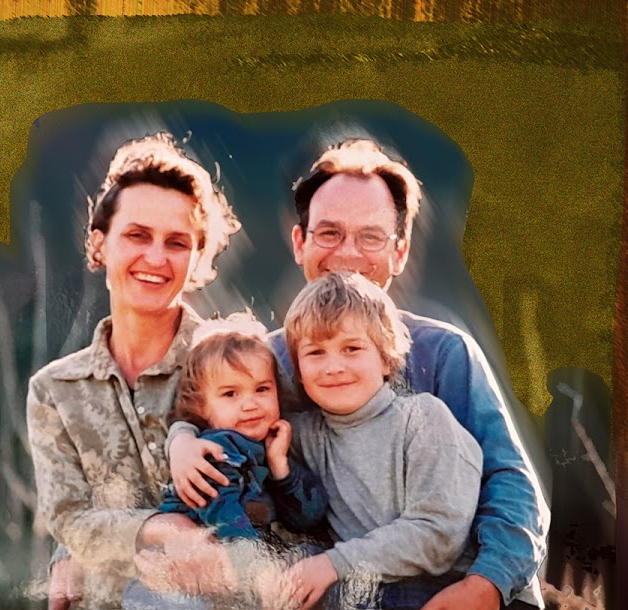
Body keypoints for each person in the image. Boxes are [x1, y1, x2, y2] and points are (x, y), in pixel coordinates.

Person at [166, 138, 549, 610]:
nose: (348, 253)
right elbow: (206, 411)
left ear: (400, 250)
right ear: (299, 242)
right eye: (329, 233)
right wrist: (181, 439)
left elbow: (510, 482)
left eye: (370, 237)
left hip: (454, 581)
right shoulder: (266, 362)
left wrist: (488, 582)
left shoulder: (443, 353)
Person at [26, 131, 241, 610]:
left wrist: (97, 542)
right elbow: (69, 518)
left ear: (198, 255)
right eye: (137, 235)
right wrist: (159, 527)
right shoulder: (54, 390)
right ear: (99, 244)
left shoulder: (237, 367)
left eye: (178, 242)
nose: (156, 258)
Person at [278, 271, 483, 610]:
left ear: (387, 358)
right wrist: (183, 440)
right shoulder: (302, 433)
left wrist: (333, 564)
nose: (333, 366)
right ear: (298, 369)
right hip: (362, 589)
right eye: (316, 353)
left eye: (352, 348)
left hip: (433, 591)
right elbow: (232, 432)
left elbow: (438, 534)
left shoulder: (423, 419)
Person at [122, 313, 329, 609]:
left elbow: (308, 516)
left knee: (309, 557)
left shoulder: (262, 447)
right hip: (177, 576)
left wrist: (281, 468)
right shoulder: (215, 451)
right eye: (230, 394)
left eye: (262, 389)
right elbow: (224, 511)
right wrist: (260, 573)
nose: (250, 403)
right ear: (202, 407)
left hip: (227, 561)